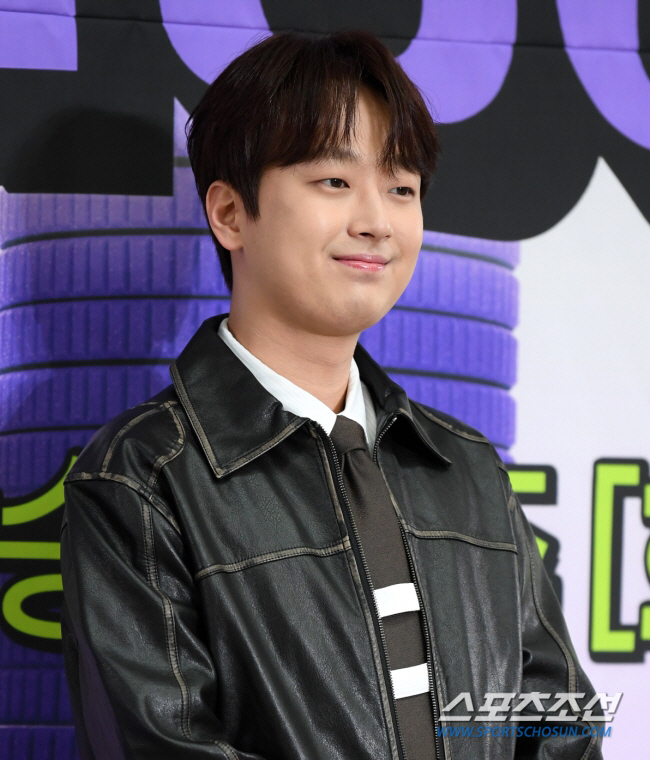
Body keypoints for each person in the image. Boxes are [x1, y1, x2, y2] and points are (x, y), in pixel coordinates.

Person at [61, 31, 603, 760]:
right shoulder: (142, 479)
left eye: (401, 188)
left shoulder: (466, 467)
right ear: (230, 214)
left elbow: (560, 728)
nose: (376, 221)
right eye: (334, 181)